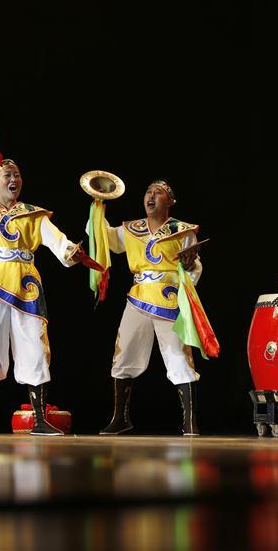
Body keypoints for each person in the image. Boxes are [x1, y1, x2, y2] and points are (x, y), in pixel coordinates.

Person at [0, 126, 95, 436]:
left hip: (27, 286)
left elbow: (59, 242)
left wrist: (73, 251)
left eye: (17, 175)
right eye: (7, 175)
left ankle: (40, 418)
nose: (14, 179)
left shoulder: (34, 215)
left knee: (35, 345)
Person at [98, 180, 205, 436]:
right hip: (137, 298)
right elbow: (108, 239)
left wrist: (190, 267)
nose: (151, 196)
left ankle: (190, 421)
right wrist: (97, 208)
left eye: (159, 193)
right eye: (148, 191)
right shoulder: (132, 229)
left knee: (179, 357)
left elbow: (195, 265)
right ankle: (120, 418)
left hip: (169, 298)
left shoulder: (182, 230)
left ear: (170, 202)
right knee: (123, 356)